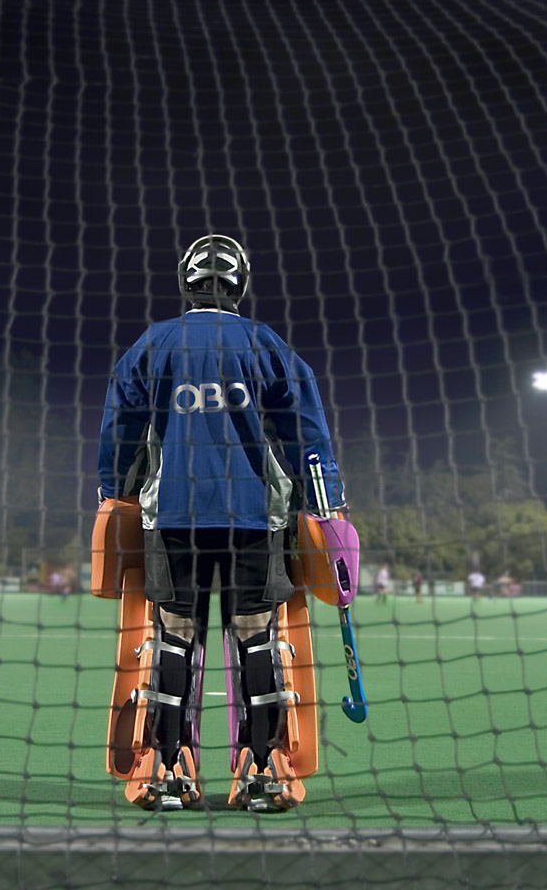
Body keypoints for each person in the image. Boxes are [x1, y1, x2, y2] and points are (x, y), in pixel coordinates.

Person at [97, 234, 347, 813]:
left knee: (174, 634)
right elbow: (307, 435)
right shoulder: (268, 345)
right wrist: (328, 504)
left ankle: (167, 770)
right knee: (257, 631)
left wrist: (114, 497)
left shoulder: (153, 344)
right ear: (240, 284)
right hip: (254, 520)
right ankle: (262, 771)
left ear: (185, 281)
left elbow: (120, 433)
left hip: (174, 516)